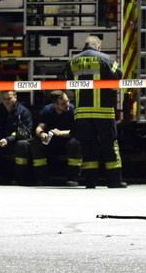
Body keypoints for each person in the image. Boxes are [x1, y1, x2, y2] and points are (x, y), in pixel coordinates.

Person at [66, 35, 125, 188]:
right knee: (110, 146)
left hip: (82, 112)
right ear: (98, 46)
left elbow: (70, 84)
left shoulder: (72, 62)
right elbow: (118, 78)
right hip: (103, 111)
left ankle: (90, 181)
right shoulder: (106, 59)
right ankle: (114, 181)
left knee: (87, 147)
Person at [16, 90, 82, 186]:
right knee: (36, 142)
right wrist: (42, 134)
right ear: (55, 104)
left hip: (68, 140)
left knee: (75, 143)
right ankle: (41, 178)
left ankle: (73, 178)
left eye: (68, 101)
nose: (67, 104)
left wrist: (61, 133)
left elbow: (78, 131)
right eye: (63, 103)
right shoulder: (47, 109)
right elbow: (39, 128)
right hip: (52, 141)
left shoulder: (73, 110)